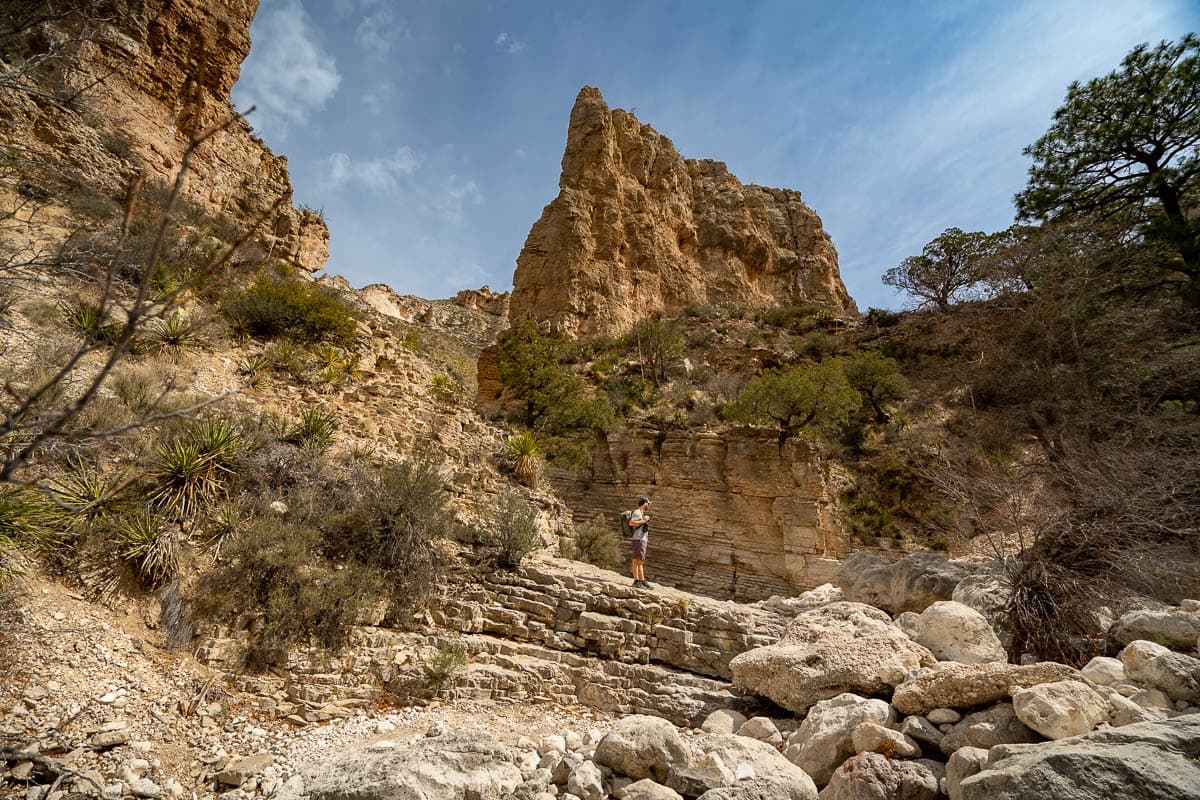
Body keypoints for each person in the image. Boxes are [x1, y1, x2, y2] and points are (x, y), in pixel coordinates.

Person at [629, 496, 652, 588]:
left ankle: (642, 580)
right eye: (648, 504)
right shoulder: (637, 512)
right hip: (638, 539)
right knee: (636, 559)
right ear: (644, 503)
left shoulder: (641, 513)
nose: (648, 506)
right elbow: (631, 522)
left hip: (642, 539)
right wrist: (644, 521)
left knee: (641, 560)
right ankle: (636, 581)